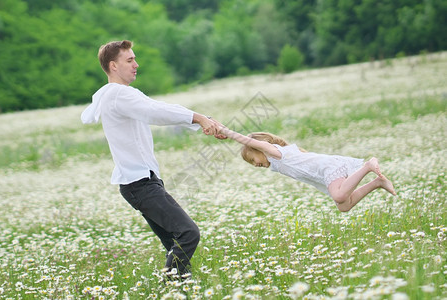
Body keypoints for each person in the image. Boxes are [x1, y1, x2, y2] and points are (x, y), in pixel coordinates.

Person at [81, 40, 224, 280]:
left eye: (135, 59)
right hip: (140, 184)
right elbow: (155, 113)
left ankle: (179, 290)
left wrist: (202, 121)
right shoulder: (117, 95)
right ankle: (171, 288)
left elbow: (157, 107)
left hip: (142, 182)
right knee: (188, 233)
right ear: (113, 66)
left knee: (175, 244)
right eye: (130, 60)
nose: (136, 65)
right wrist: (198, 118)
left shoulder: (121, 94)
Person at [219, 127, 396, 212]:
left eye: (252, 159)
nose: (255, 164)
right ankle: (377, 183)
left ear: (261, 148)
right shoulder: (277, 160)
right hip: (322, 175)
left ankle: (367, 166)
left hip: (327, 167)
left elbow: (248, 141)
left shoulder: (276, 153)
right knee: (344, 206)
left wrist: (224, 131)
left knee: (339, 196)